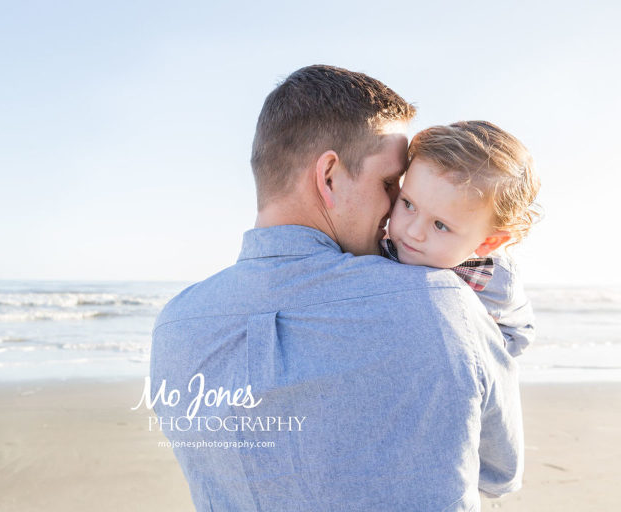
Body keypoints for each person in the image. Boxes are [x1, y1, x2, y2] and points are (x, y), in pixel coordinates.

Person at [150, 65, 523, 511]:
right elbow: (501, 474)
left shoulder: (174, 328)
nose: (393, 213)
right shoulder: (442, 303)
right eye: (391, 186)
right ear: (328, 176)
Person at [380, 121, 541, 357]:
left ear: (488, 242)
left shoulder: (498, 281)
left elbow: (520, 332)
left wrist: (473, 345)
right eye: (408, 204)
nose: (413, 231)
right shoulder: (375, 245)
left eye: (440, 225)